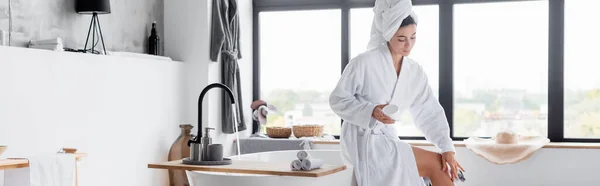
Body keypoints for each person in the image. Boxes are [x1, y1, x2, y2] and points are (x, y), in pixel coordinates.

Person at [329, 0, 465, 185]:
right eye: (401, 38)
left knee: (442, 165)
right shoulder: (363, 63)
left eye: (413, 37)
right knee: (436, 165)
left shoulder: (415, 72)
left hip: (388, 139)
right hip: (363, 142)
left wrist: (447, 147)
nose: (408, 45)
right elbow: (337, 99)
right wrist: (371, 111)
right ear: (388, 35)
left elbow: (429, 112)